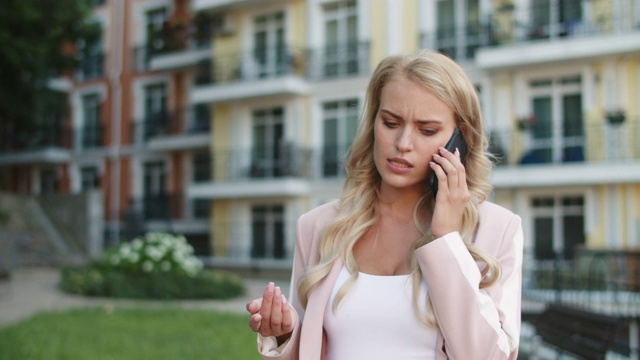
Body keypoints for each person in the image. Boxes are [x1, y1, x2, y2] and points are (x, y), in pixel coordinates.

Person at [246, 50, 523, 359]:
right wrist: (284, 333)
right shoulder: (318, 226)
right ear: (374, 122)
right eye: (391, 123)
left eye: (427, 130)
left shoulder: (498, 230)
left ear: (461, 138)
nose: (403, 143)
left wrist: (447, 240)